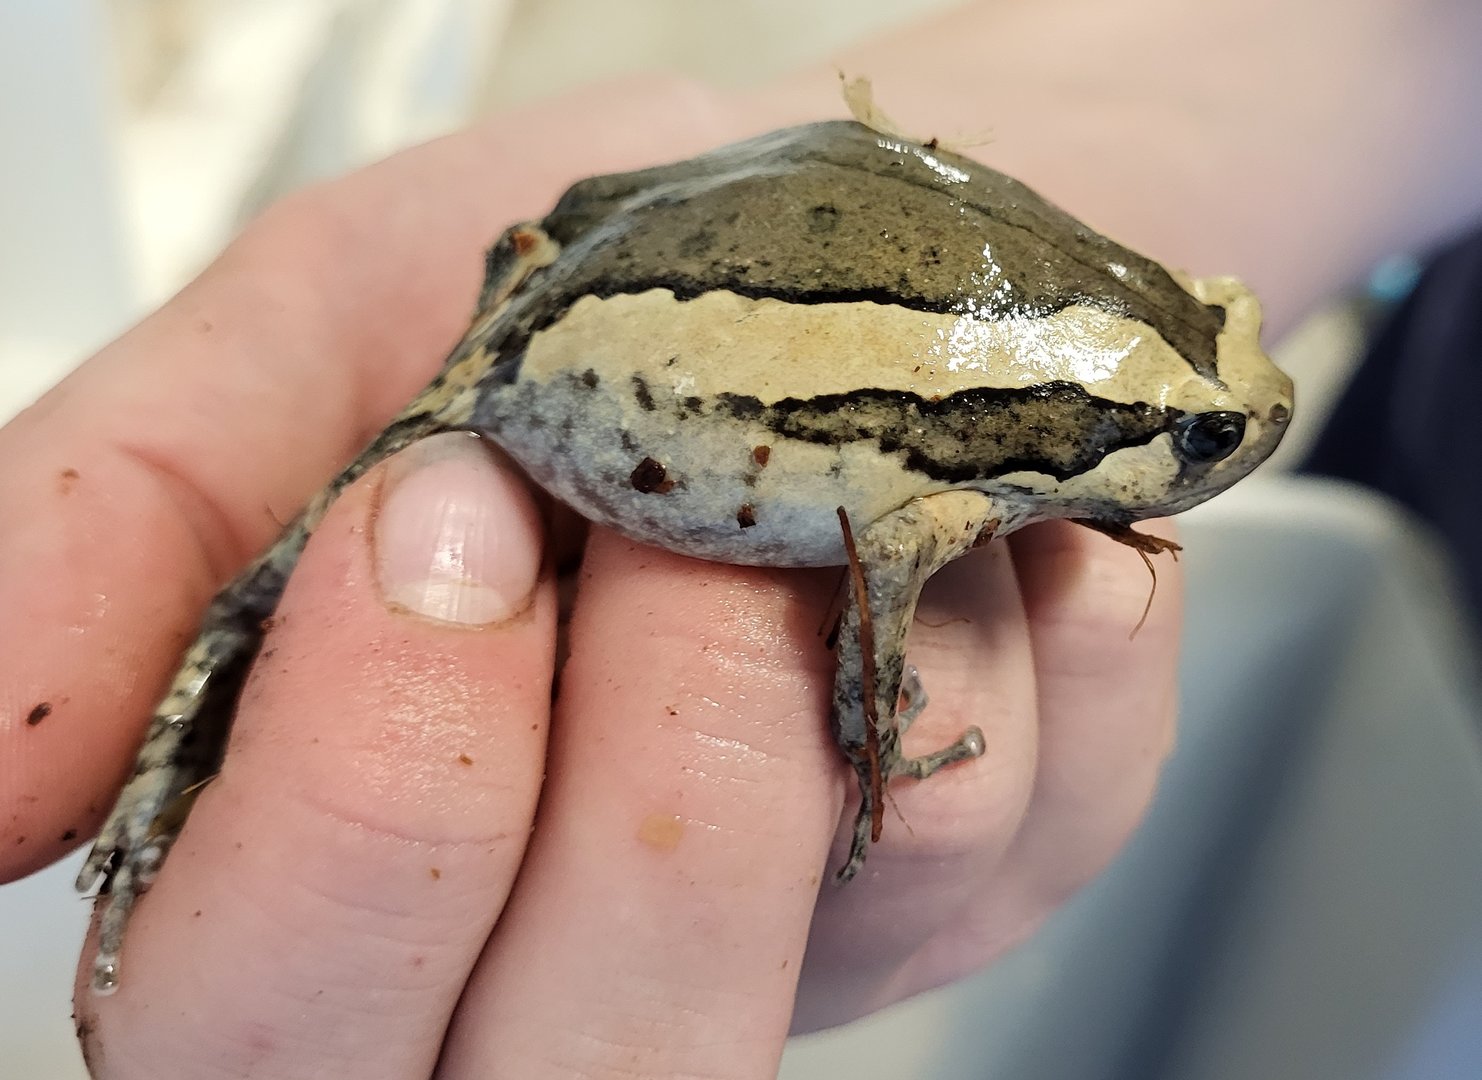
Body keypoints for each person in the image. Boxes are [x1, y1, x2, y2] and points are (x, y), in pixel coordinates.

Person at [2, 1, 1479, 1076]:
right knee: (273, 591)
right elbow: (888, 556)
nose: (1248, 423)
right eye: (1203, 438)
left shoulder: (999, 443)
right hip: (563, 369)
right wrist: (871, 730)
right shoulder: (953, 498)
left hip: (622, 302)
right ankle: (171, 757)